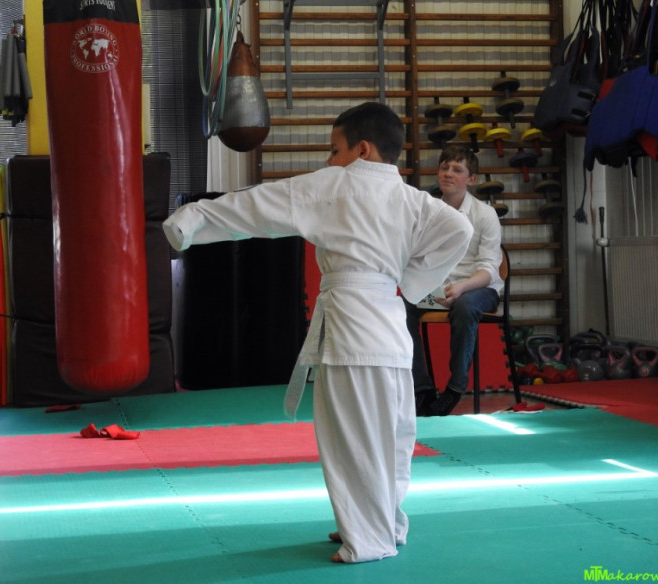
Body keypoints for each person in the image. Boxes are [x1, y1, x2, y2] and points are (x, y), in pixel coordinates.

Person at [162, 102, 472, 564]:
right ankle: (384, 523)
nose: (329, 160)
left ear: (362, 150)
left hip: (351, 330)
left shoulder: (336, 184)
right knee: (391, 436)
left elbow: (256, 205)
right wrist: (410, 281)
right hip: (390, 328)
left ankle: (368, 538)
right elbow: (459, 229)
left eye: (334, 149)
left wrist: (189, 220)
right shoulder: (414, 200)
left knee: (351, 440)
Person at [405, 144, 503, 417]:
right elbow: (417, 258)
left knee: (465, 306)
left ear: (471, 179)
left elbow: (489, 269)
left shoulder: (485, 215)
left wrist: (461, 287)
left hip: (478, 288)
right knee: (401, 308)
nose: (448, 173)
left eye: (457, 170)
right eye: (444, 167)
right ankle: (422, 389)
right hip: (439, 289)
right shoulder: (428, 211)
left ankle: (455, 387)